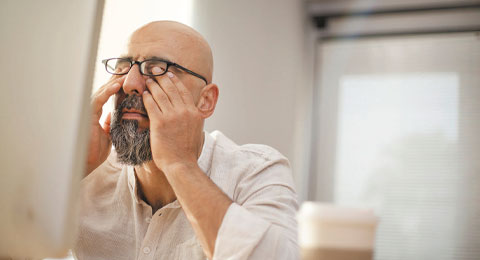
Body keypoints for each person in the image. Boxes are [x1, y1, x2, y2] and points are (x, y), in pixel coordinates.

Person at [74, 20, 298, 260]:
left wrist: (180, 164)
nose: (129, 84)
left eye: (156, 69)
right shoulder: (90, 166)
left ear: (205, 101)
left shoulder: (256, 172)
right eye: (123, 67)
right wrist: (75, 171)